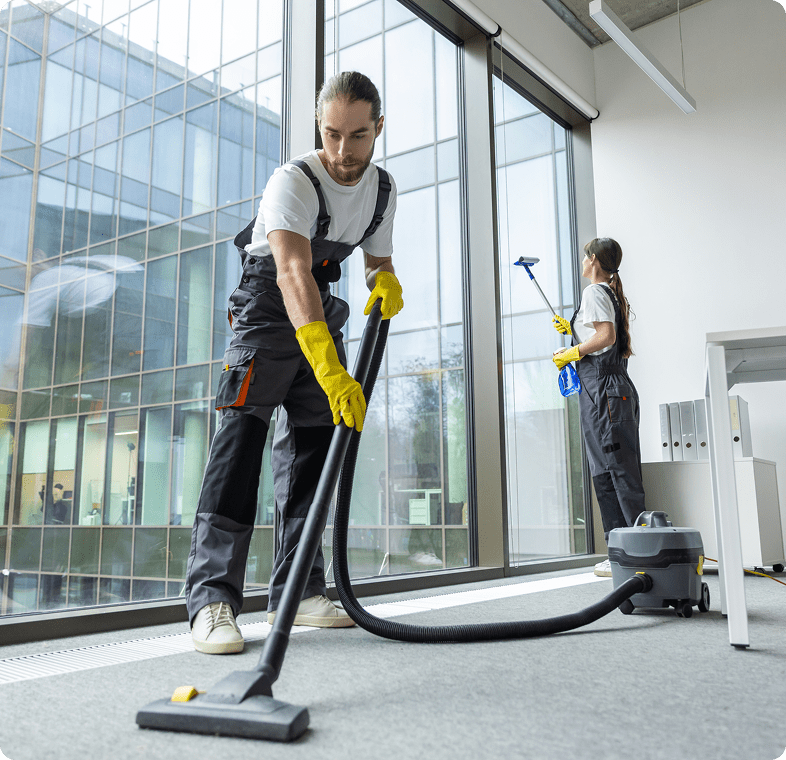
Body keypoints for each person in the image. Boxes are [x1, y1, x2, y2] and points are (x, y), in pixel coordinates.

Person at [184, 71, 403, 654]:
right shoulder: (294, 181)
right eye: (331, 134)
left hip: (321, 310)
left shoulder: (382, 190)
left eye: (357, 136)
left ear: (378, 128)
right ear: (319, 127)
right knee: (240, 447)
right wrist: (332, 371)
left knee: (313, 452)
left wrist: (385, 283)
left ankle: (301, 591)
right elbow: (290, 273)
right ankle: (212, 602)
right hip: (267, 307)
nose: (342, 151)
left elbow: (376, 262)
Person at [551, 238, 644, 577]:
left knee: (615, 472)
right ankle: (622, 552)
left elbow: (604, 337)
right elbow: (602, 335)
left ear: (593, 259)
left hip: (604, 391)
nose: (582, 261)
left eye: (584, 256)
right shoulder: (608, 293)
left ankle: (634, 554)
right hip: (605, 392)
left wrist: (573, 352)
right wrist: (575, 332)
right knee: (607, 471)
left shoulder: (594, 292)